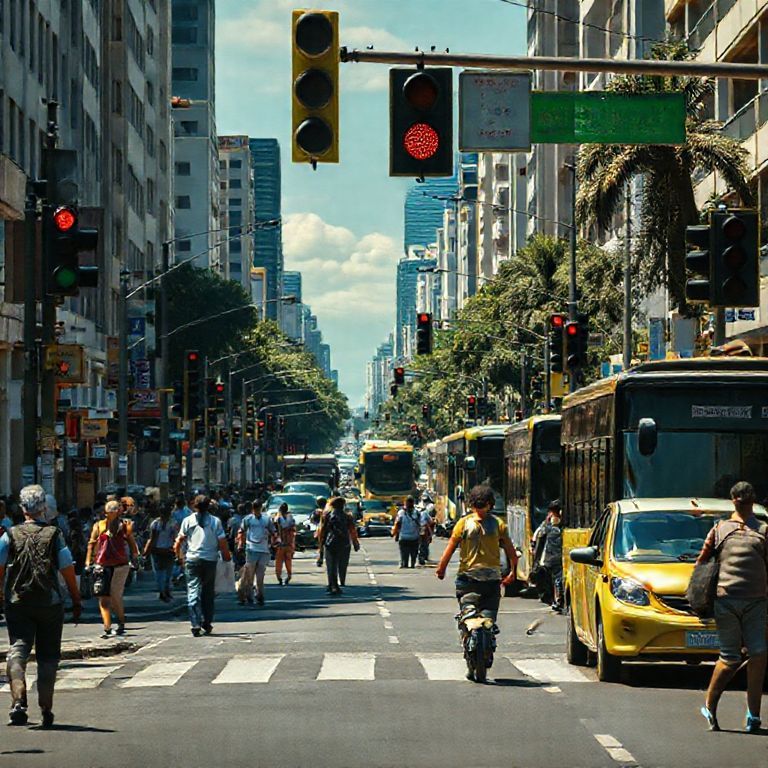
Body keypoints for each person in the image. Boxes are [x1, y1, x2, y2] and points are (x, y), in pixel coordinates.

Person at [0, 485, 81, 727]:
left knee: (18, 649)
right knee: (48, 656)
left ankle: (17, 702)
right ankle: (46, 708)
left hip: (18, 602)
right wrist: (76, 598)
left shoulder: (9, 535)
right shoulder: (54, 535)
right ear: (43, 508)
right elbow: (67, 568)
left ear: (22, 508)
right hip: (50, 603)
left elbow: (0, 567)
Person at [697, 481, 768, 733]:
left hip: (756, 602)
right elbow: (702, 563)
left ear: (752, 500)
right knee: (730, 658)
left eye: (746, 498)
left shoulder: (763, 529)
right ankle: (709, 704)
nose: (743, 501)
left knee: (759, 654)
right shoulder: (719, 530)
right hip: (725, 601)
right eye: (739, 498)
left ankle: (754, 715)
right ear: (733, 500)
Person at [435, 485, 518, 622]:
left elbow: (450, 548)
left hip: (467, 578)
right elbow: (512, 553)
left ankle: (467, 615)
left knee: (467, 609)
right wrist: (513, 572)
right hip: (491, 579)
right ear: (490, 504)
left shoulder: (463, 523)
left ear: (471, 504)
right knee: (489, 618)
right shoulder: (498, 524)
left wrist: (441, 569)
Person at [174, 495, 230, 636]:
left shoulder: (188, 521)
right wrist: (227, 558)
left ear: (194, 506)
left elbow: (179, 541)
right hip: (210, 560)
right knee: (208, 592)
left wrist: (179, 557)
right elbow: (222, 543)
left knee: (193, 591)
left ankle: (195, 623)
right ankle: (207, 622)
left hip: (192, 559)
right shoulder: (215, 522)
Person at [85, 499, 139, 638]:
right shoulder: (99, 526)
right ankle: (107, 627)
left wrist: (135, 558)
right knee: (103, 598)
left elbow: (132, 543)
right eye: (111, 511)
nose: (114, 513)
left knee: (115, 596)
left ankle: (121, 622)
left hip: (120, 566)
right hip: (102, 565)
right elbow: (91, 544)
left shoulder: (124, 525)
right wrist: (88, 562)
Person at [317, 497, 359, 595]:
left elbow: (322, 531)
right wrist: (355, 542)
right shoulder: (347, 516)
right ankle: (339, 583)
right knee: (342, 563)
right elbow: (352, 530)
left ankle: (333, 585)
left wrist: (321, 546)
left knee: (331, 565)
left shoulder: (326, 515)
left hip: (330, 543)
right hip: (344, 543)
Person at [236, 500, 275, 606]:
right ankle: (249, 596)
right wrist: (240, 544)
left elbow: (273, 531)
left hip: (263, 551)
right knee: (249, 575)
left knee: (260, 576)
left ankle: (260, 596)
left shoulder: (266, 520)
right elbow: (241, 531)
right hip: (251, 550)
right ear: (253, 509)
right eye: (255, 508)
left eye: (259, 508)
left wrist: (276, 540)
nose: (257, 510)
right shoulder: (248, 519)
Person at [533, 501, 564, 612]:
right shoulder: (559, 524)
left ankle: (557, 600)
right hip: (556, 556)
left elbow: (537, 537)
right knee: (557, 578)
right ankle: (557, 600)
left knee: (555, 579)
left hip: (550, 556)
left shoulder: (547, 524)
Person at [143, 503, 178, 602]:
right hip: (168, 550)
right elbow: (175, 538)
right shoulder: (173, 523)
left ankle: (162, 591)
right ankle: (166, 591)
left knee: (159, 573)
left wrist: (146, 552)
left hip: (157, 550)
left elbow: (152, 538)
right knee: (168, 573)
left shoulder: (155, 523)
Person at [392, 496, 421, 569]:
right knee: (414, 554)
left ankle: (404, 564)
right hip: (414, 537)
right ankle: (412, 564)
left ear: (405, 503)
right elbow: (420, 525)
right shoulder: (417, 512)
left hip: (404, 537)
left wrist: (395, 534)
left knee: (404, 554)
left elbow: (397, 524)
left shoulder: (401, 513)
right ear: (413, 503)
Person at [273, 502, 296, 585]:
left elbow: (275, 531)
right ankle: (287, 576)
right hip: (288, 543)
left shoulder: (278, 518)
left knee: (280, 561)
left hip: (282, 543)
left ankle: (280, 577)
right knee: (287, 561)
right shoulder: (290, 517)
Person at [418, 496, 435, 566]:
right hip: (424, 529)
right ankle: (423, 557)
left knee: (421, 544)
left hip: (417, 529)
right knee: (424, 543)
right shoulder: (425, 512)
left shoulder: (416, 512)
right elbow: (430, 522)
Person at [312, 497, 327, 568]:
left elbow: (313, 520)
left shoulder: (318, 511)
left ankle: (320, 559)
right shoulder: (328, 510)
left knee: (321, 545)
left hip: (321, 530)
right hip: (328, 530)